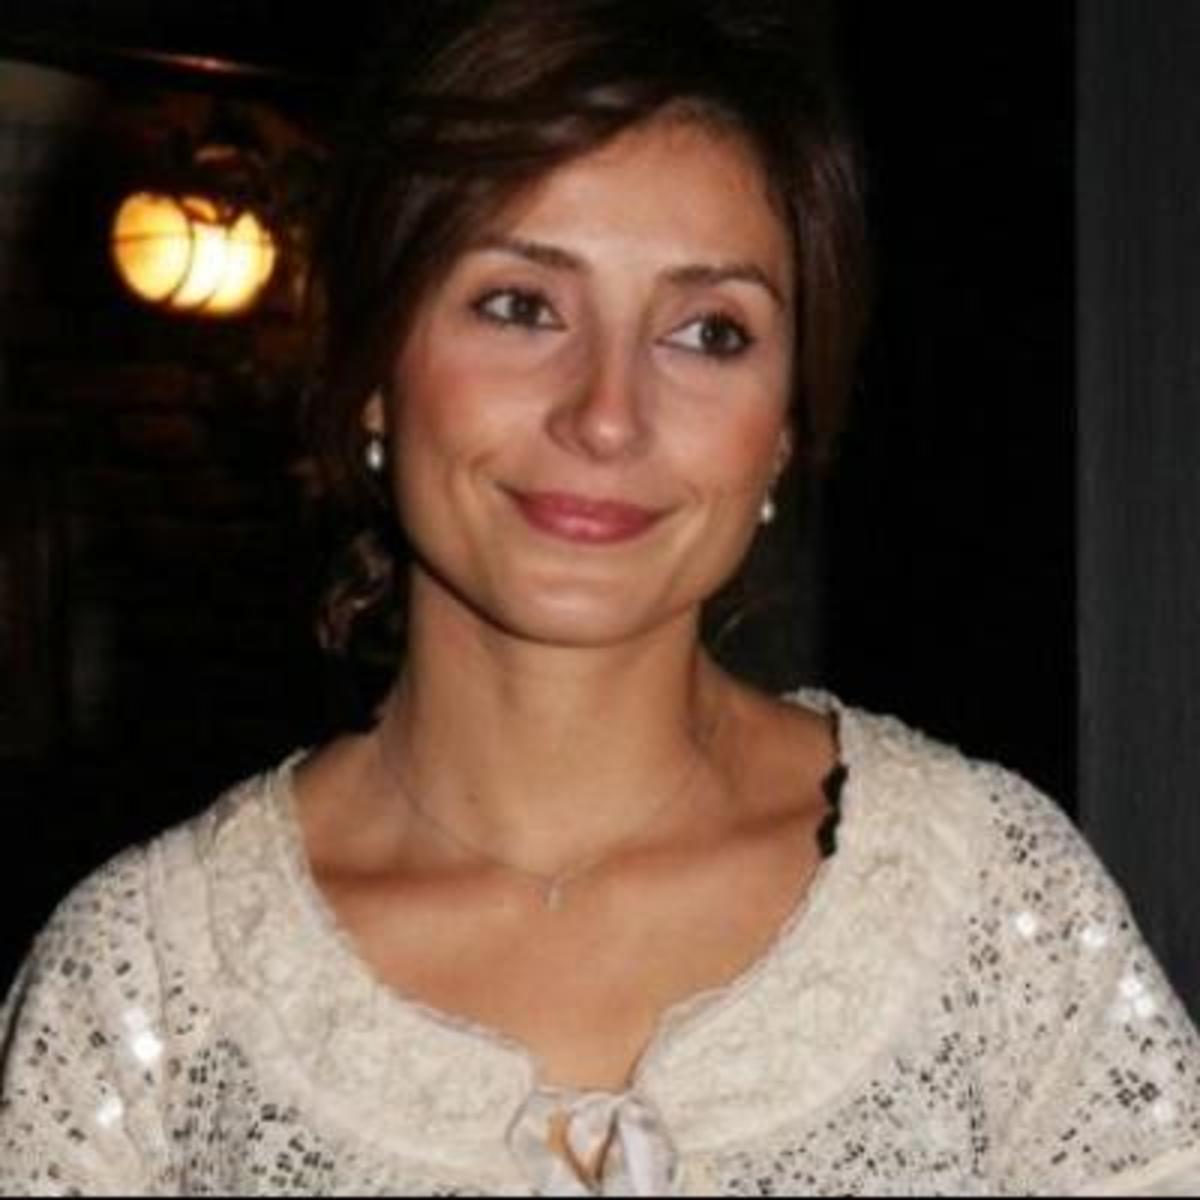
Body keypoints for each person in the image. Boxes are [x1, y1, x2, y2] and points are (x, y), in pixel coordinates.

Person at [2, 0, 1199, 1194]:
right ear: (373, 368)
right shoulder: (146, 992)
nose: (608, 415)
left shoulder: (988, 910)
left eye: (709, 332)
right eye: (521, 305)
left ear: (785, 427)